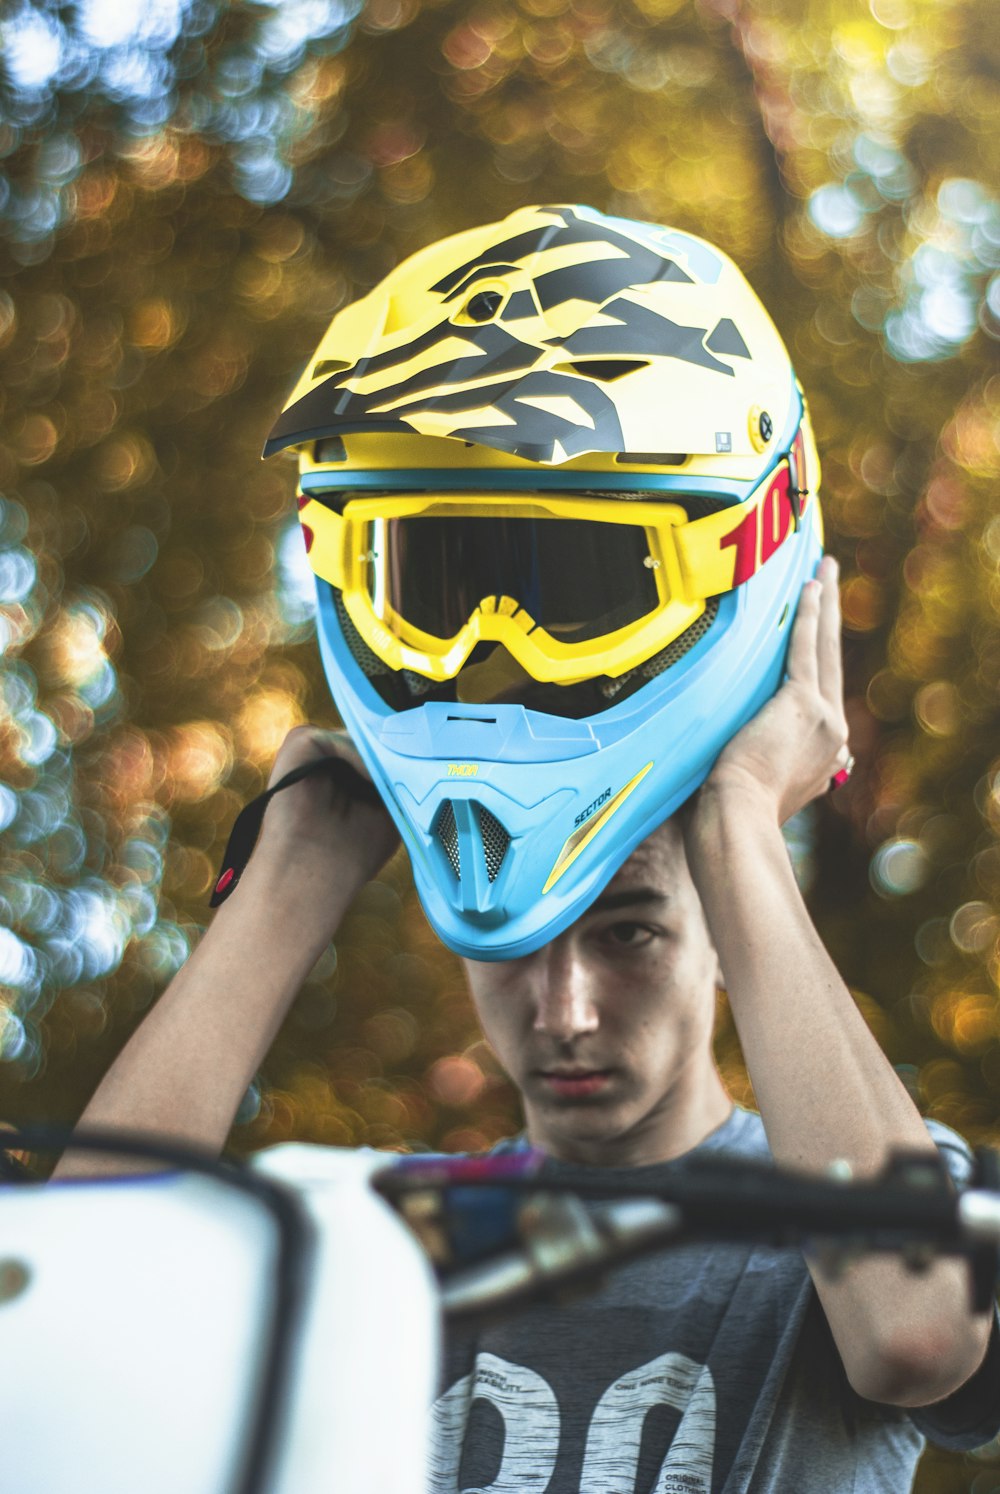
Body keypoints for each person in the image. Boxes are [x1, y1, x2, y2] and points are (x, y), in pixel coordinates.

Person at [57, 206, 1000, 1489]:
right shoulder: (383, 1239)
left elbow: (911, 1335)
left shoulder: (860, 1188)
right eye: (529, 955)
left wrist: (735, 822)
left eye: (630, 930)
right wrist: (287, 878)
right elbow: (71, 1328)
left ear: (723, 928)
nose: (564, 1010)